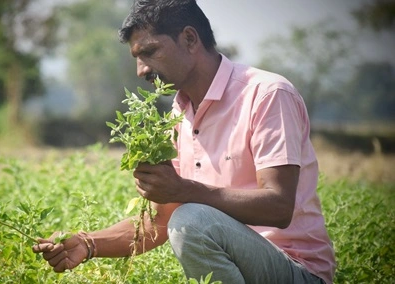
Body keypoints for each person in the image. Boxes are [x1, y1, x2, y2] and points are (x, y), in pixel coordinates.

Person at [32, 0, 336, 283]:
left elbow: (279, 206)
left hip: (296, 270)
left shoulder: (267, 94)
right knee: (185, 218)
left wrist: (185, 190)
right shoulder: (180, 112)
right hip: (240, 266)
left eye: (149, 52)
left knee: (190, 219)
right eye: (137, 58)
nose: (142, 70)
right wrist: (87, 243)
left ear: (190, 39)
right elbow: (162, 221)